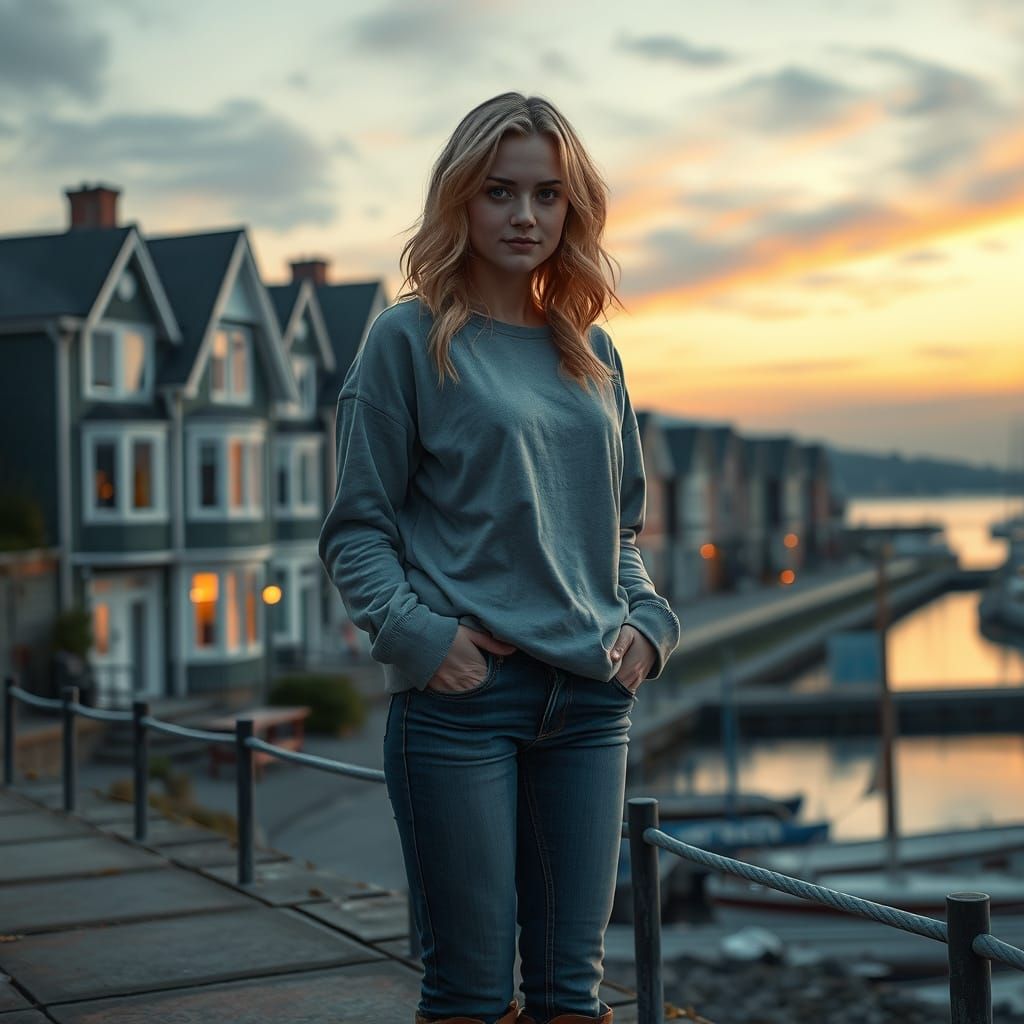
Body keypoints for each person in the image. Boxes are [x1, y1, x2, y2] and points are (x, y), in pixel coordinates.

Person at [317, 92, 681, 1024]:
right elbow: (358, 528)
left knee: (572, 996)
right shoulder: (408, 339)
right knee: (473, 997)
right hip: (463, 709)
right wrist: (419, 636)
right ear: (460, 202)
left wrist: (647, 626)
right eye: (499, 192)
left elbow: (620, 533)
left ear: (573, 208)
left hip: (592, 707)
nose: (525, 216)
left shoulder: (593, 353)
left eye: (548, 195)